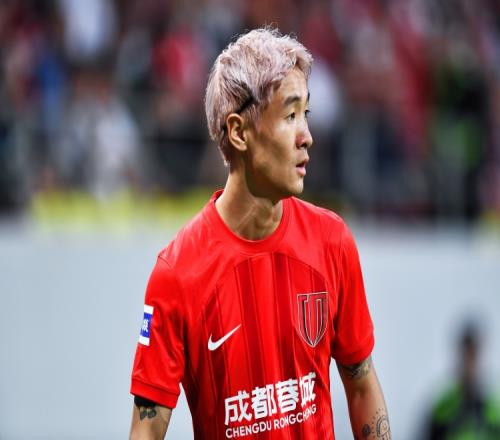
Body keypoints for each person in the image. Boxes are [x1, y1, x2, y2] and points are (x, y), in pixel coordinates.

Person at [129, 27, 390, 440]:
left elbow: (361, 383)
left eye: (306, 114)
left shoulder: (332, 241)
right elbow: (147, 427)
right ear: (238, 132)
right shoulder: (177, 273)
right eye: (290, 116)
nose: (307, 137)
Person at [425, 321, 500, 440]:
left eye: (473, 356)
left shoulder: (494, 412)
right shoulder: (442, 410)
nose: (469, 364)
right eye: (466, 355)